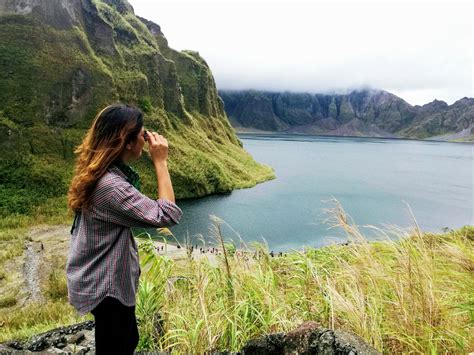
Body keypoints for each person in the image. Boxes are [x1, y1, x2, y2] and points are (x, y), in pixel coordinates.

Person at [66, 104, 182, 354]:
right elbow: (167, 214)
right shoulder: (110, 186)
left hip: (99, 280)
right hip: (108, 286)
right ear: (126, 142)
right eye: (142, 135)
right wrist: (160, 162)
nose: (146, 139)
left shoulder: (99, 172)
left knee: (123, 339)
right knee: (119, 345)